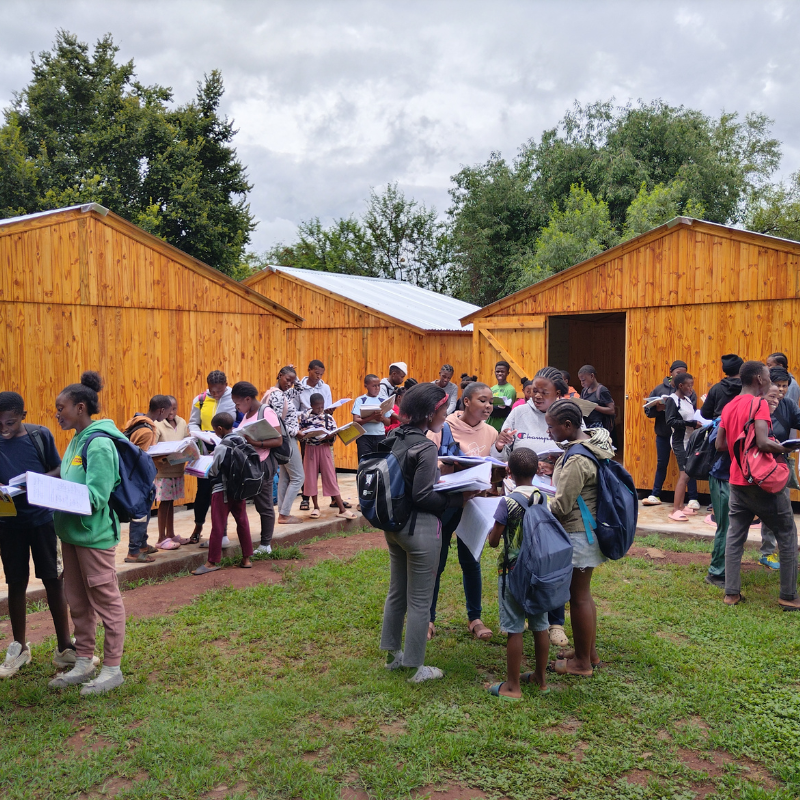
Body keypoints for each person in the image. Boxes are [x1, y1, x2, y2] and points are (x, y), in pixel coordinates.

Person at [379, 383, 474, 683]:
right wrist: (460, 498)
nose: (446, 416)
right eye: (444, 410)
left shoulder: (394, 436)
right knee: (420, 601)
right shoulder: (426, 447)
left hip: (394, 526)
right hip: (420, 529)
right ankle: (415, 667)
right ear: (431, 413)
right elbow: (422, 495)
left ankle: (392, 655)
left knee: (397, 592)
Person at [50, 372, 126, 695]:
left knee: (106, 601)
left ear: (80, 408)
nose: (57, 414)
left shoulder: (100, 444)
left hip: (94, 537)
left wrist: (54, 496)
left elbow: (96, 497)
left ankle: (112, 668)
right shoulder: (76, 440)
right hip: (71, 535)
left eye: (61, 408)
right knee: (78, 601)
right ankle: (84, 661)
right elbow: (70, 479)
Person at [426, 382, 516, 641]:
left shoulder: (491, 431)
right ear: (466, 401)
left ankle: (474, 618)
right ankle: (428, 619)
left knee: (471, 562)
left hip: (474, 505)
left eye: (490, 402)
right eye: (482, 401)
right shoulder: (444, 426)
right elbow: (429, 462)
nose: (488, 406)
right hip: (446, 503)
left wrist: (499, 450)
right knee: (437, 563)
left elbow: (493, 468)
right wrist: (451, 466)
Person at [0, 392, 74, 679]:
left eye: (10, 422)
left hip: (42, 520)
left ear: (23, 416)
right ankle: (19, 647)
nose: (4, 429)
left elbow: (58, 469)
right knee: (15, 582)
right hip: (8, 523)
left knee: (53, 579)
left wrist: (35, 481)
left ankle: (64, 647)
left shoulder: (39, 436)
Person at [716, 361, 800, 610]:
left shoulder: (730, 406)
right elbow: (763, 443)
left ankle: (731, 593)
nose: (770, 382)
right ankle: (788, 596)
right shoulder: (759, 404)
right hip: (763, 481)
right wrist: (784, 448)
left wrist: (742, 447)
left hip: (737, 480)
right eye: (768, 377)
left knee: (735, 537)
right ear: (759, 380)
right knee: (787, 533)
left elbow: (720, 444)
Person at [497, 366, 572, 647]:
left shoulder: (566, 415)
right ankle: (522, 611)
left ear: (558, 394)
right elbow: (502, 453)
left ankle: (555, 622)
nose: (537, 396)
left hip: (550, 498)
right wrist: (501, 445)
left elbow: (574, 455)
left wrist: (552, 466)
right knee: (520, 556)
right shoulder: (518, 413)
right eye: (534, 391)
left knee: (550, 557)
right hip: (519, 497)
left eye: (544, 392)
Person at [545, 399, 612, 676]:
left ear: (568, 425)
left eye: (552, 427)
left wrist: (535, 500)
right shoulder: (590, 446)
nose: (548, 432)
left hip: (579, 533)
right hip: (588, 531)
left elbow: (562, 506)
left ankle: (582, 663)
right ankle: (589, 653)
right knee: (583, 594)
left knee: (579, 597)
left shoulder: (577, 459)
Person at [486, 448, 550, 699]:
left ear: (509, 471)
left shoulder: (508, 501)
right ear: (537, 470)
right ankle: (541, 679)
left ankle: (512, 686)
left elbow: (494, 541)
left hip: (513, 571)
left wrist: (491, 532)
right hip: (539, 570)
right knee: (540, 625)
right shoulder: (543, 497)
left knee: (515, 628)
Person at [700, 354, 743, 590]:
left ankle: (720, 569)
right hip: (739, 464)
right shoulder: (748, 394)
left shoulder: (717, 389)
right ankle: (722, 568)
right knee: (733, 523)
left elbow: (706, 414)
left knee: (724, 523)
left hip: (721, 463)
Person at [192, 413, 254, 575]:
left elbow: (214, 470)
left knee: (218, 525)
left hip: (222, 491)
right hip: (240, 489)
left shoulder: (221, 447)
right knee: (242, 521)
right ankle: (246, 558)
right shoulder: (242, 441)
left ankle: (212, 561)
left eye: (214, 430)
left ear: (219, 429)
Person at [231, 381, 283, 555]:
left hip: (263, 463)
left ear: (247, 399)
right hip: (250, 463)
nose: (237, 407)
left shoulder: (266, 412)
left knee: (264, 504)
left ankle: (266, 544)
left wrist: (255, 443)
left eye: (238, 403)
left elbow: (278, 440)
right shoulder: (247, 414)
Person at [756, 368, 800, 570]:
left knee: (781, 512)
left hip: (778, 467)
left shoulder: (788, 405)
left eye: (785, 386)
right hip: (757, 466)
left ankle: (773, 553)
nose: (781, 390)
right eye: (778, 386)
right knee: (752, 512)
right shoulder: (758, 404)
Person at [642, 360, 700, 510]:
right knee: (662, 464)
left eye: (684, 373)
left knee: (688, 466)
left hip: (684, 436)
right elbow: (648, 411)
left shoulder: (689, 393)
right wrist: (659, 408)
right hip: (664, 434)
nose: (681, 375)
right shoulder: (660, 389)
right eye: (678, 372)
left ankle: (692, 498)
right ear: (671, 373)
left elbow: (691, 411)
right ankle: (656, 494)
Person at [188, 370, 236, 544]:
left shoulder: (233, 398)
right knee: (203, 491)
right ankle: (198, 526)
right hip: (206, 451)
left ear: (226, 385)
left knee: (224, 491)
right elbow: (193, 422)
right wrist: (198, 434)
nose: (215, 394)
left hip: (227, 449)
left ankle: (222, 532)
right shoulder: (200, 400)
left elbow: (241, 420)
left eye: (219, 391)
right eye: (212, 391)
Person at [122, 395, 171, 561]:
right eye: (168, 412)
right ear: (161, 410)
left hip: (135, 476)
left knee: (146, 510)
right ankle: (134, 552)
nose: (168, 415)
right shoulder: (146, 431)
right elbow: (141, 458)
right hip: (139, 478)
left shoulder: (137, 422)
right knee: (140, 513)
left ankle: (142, 544)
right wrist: (162, 458)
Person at [298, 393, 358, 520]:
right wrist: (304, 434)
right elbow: (300, 433)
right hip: (310, 449)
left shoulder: (328, 417)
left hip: (324, 448)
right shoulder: (305, 416)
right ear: (311, 405)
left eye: (322, 407)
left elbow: (333, 435)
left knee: (330, 477)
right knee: (311, 477)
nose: (320, 409)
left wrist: (330, 437)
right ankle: (316, 507)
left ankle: (342, 509)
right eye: (317, 407)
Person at [263, 366, 304, 525]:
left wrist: (294, 376)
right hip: (287, 440)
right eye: (287, 380)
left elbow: (299, 389)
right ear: (279, 375)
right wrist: (296, 432)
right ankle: (284, 514)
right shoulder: (278, 396)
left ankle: (282, 513)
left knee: (285, 477)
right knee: (299, 477)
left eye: (292, 381)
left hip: (285, 439)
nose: (290, 384)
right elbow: (277, 422)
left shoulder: (277, 393)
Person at [664, 373, 703, 522]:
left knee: (687, 474)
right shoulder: (672, 400)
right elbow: (670, 421)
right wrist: (691, 424)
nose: (691, 389)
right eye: (689, 386)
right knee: (684, 474)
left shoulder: (687, 400)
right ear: (680, 386)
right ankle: (675, 510)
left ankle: (681, 506)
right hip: (679, 442)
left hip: (690, 441)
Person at [153, 395, 190, 549]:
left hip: (177, 469)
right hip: (163, 471)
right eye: (169, 409)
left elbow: (187, 441)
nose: (172, 412)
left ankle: (170, 534)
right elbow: (153, 447)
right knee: (164, 503)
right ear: (163, 410)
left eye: (174, 408)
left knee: (171, 502)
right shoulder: (157, 424)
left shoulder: (182, 422)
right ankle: (161, 538)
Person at [297, 360, 334, 511]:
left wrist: (328, 411)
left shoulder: (325, 387)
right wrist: (308, 414)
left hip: (323, 429)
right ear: (309, 370)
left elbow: (328, 406)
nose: (319, 377)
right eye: (316, 373)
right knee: (308, 466)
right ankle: (305, 498)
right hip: (306, 430)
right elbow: (294, 410)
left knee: (328, 465)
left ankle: (334, 497)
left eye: (321, 374)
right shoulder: (299, 388)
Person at [352, 374, 392, 462]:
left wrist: (381, 418)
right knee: (365, 463)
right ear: (366, 386)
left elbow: (388, 422)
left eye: (378, 385)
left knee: (380, 463)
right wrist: (371, 417)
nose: (377, 388)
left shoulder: (383, 400)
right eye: (374, 386)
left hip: (380, 436)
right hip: (364, 437)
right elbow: (356, 420)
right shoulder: (360, 400)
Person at [701, 354, 743, 420]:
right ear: (742, 368)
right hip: (743, 424)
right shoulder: (749, 387)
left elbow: (705, 413)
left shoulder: (716, 388)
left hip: (721, 424)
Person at [578, 365, 616, 431]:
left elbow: (612, 410)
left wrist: (594, 406)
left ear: (592, 376)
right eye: (580, 381)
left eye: (583, 380)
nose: (582, 383)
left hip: (597, 426)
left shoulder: (602, 390)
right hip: (585, 425)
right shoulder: (584, 391)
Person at [488, 361, 517, 432]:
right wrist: (496, 407)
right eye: (497, 371)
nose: (500, 373)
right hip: (489, 426)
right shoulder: (492, 389)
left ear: (507, 373)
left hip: (501, 428)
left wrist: (490, 409)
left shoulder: (510, 389)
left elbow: (504, 411)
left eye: (502, 371)